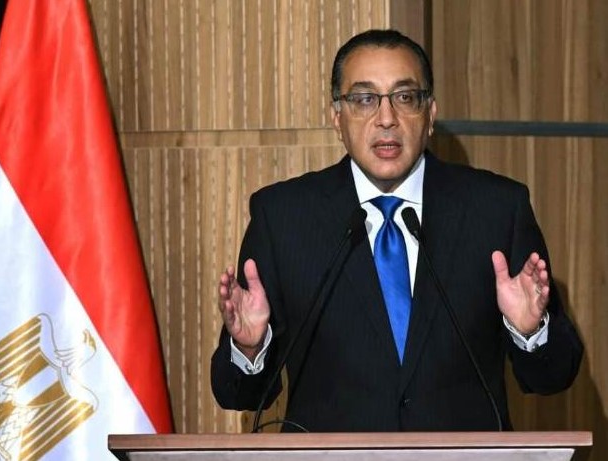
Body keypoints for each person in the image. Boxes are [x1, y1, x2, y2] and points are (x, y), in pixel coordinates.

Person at [211, 29, 583, 432]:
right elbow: (237, 394)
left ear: (430, 114)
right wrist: (249, 347)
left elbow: (555, 376)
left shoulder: (496, 210)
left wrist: (531, 331)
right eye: (364, 99)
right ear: (337, 118)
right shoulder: (283, 216)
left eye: (405, 97)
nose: (386, 119)